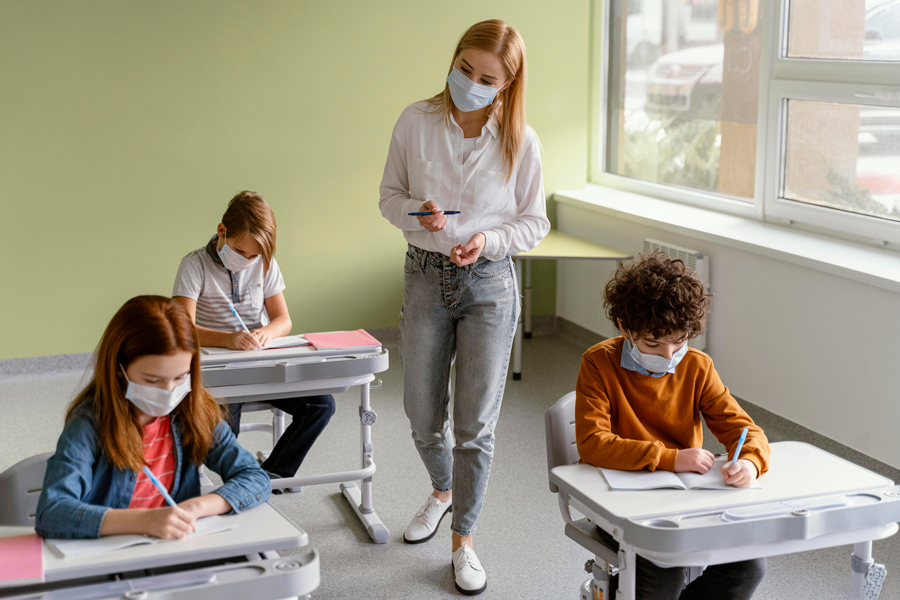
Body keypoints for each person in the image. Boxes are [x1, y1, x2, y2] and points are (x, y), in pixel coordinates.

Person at [378, 19, 549, 596]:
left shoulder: (521, 140)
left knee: (475, 425)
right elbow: (388, 198)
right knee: (421, 413)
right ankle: (444, 491)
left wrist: (489, 241)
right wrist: (416, 214)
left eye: (486, 78)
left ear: (506, 84)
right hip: (425, 275)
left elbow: (534, 220)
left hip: (489, 284)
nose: (471, 83)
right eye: (465, 69)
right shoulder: (414, 121)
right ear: (453, 61)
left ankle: (464, 540)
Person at [575, 253, 770, 599]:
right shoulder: (598, 363)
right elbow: (593, 443)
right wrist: (671, 458)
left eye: (679, 342)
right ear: (624, 327)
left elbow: (745, 431)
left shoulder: (698, 367)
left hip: (685, 503)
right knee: (665, 569)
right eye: (652, 343)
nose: (668, 355)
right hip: (620, 502)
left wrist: (751, 463)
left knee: (749, 565)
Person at [36, 295, 270, 539]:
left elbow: (255, 478)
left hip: (172, 553)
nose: (168, 392)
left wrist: (196, 507)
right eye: (152, 380)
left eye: (180, 377)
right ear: (119, 368)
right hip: (108, 557)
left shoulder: (195, 412)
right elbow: (52, 512)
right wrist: (145, 521)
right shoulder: (90, 423)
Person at [173, 191, 334, 491]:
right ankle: (230, 479)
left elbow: (283, 320)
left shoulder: (266, 263)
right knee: (225, 432)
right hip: (217, 372)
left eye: (253, 256)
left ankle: (271, 475)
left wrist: (265, 333)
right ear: (221, 231)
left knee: (321, 405)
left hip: (259, 362)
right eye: (239, 251)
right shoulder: (194, 266)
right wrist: (228, 340)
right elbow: (182, 329)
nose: (247, 261)